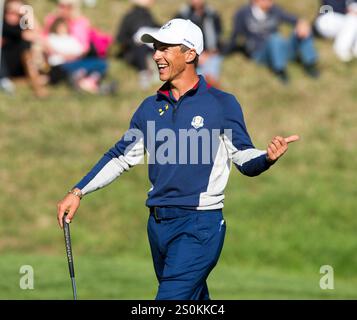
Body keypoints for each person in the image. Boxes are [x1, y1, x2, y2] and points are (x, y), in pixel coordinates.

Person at [57, 18, 300, 300]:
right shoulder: (149, 108)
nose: (157, 55)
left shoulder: (222, 104)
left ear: (189, 54)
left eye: (165, 48)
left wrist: (266, 157)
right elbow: (120, 157)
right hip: (158, 226)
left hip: (199, 226)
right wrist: (78, 191)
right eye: (156, 49)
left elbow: (243, 156)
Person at [225, 0, 319, 83]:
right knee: (274, 38)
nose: (270, 1)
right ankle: (280, 71)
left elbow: (292, 19)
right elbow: (235, 36)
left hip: (279, 47)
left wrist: (301, 23)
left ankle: (310, 64)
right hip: (260, 53)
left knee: (303, 29)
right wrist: (224, 51)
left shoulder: (274, 10)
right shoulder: (243, 13)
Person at [43, 0, 110, 93]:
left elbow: (84, 48)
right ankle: (88, 82)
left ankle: (85, 82)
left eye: (68, 7)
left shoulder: (80, 23)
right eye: (62, 6)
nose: (64, 9)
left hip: (75, 59)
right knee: (100, 64)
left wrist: (71, 55)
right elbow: (44, 40)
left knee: (101, 64)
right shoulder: (52, 21)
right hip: (59, 63)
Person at [0, 0, 48, 96]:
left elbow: (38, 34)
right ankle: (34, 81)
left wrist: (27, 13)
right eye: (10, 11)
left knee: (27, 46)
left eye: (17, 13)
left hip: (21, 65)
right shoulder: (3, 26)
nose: (13, 15)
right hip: (5, 65)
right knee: (25, 43)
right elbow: (30, 35)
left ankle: (32, 80)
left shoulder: (22, 25)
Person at [175, 0, 223, 87]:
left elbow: (218, 38)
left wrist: (210, 53)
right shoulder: (182, 16)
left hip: (210, 54)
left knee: (209, 76)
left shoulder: (212, 15)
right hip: (190, 54)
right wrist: (196, 55)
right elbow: (178, 41)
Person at [115, 0, 159, 89]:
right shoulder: (130, 17)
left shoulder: (148, 15)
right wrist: (133, 41)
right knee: (141, 45)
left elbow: (158, 28)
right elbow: (121, 38)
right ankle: (144, 73)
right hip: (134, 51)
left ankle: (154, 69)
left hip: (150, 48)